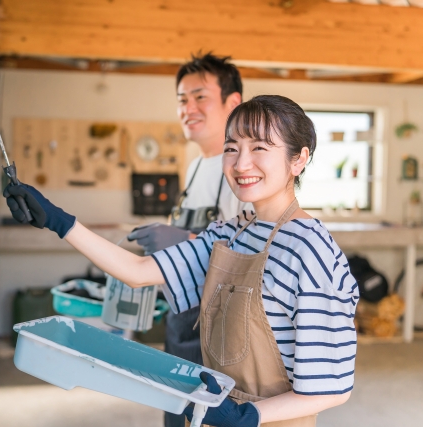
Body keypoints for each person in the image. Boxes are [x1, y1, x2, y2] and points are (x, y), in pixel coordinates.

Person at [4, 95, 358, 427]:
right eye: (231, 148)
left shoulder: (311, 251)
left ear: (299, 159)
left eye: (260, 148)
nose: (241, 163)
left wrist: (247, 416)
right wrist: (58, 221)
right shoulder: (233, 233)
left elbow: (332, 387)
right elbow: (137, 272)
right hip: (218, 408)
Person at [127, 55, 251, 426]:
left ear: (233, 103)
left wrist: (185, 239)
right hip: (183, 318)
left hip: (218, 331)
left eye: (200, 97)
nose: (188, 108)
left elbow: (251, 255)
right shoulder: (197, 164)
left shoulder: (242, 169)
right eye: (182, 100)